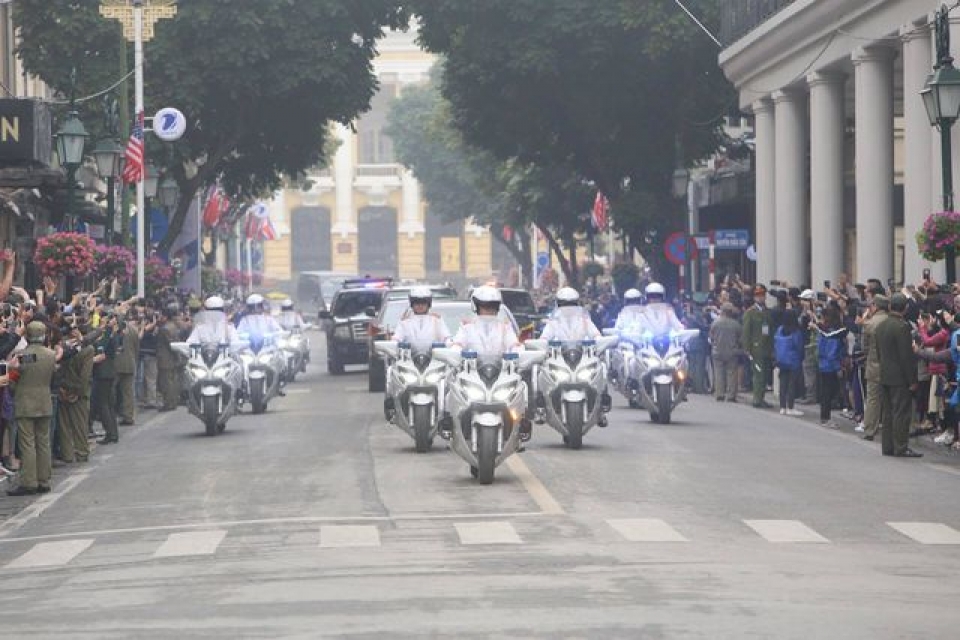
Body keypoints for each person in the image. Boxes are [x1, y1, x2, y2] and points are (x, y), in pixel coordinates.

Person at [6, 321, 56, 496]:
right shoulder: (51, 354)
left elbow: (14, 375)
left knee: (27, 443)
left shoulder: (22, 356)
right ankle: (44, 479)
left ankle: (29, 481)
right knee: (43, 442)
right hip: (44, 400)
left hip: (26, 401)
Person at [875, 293, 921, 457]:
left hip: (885, 374)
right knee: (901, 412)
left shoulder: (881, 326)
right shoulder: (902, 327)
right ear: (906, 308)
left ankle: (887, 447)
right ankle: (900, 446)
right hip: (900, 377)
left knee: (887, 413)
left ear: (889, 307)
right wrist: (912, 380)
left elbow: (879, 353)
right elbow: (905, 357)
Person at [56, 323, 95, 464]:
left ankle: (67, 454)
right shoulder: (88, 350)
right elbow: (85, 376)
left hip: (62, 389)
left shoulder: (61, 348)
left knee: (64, 426)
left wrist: (60, 388)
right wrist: (79, 392)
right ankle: (82, 452)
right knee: (79, 424)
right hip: (77, 391)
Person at [450, 285, 521, 358]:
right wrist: (455, 353)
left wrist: (519, 353)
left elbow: (514, 345)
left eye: (493, 306)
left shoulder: (505, 328)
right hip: (471, 367)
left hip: (502, 368)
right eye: (485, 306)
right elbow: (457, 346)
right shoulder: (467, 327)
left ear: (497, 307)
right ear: (476, 306)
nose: (489, 310)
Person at [859, 294, 889, 440]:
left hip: (873, 366)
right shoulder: (891, 321)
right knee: (890, 399)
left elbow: (864, 346)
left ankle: (870, 429)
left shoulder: (869, 324)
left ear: (875, 306)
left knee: (873, 399)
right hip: (890, 366)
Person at [91, 313, 122, 444]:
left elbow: (100, 349)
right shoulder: (113, 334)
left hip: (103, 372)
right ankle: (113, 432)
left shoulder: (108, 333)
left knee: (103, 404)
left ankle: (110, 433)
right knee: (109, 404)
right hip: (110, 371)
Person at [742, 285, 774, 408]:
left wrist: (772, 348)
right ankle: (757, 399)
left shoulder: (766, 311)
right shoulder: (750, 313)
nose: (761, 298)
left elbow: (769, 331)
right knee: (758, 374)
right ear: (755, 297)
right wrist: (747, 349)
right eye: (758, 295)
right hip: (755, 349)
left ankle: (761, 397)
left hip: (766, 348)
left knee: (765, 375)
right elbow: (746, 332)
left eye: (762, 295)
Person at [392, 287, 451, 353]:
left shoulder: (436, 320)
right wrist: (393, 344)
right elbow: (397, 338)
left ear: (428, 304)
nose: (420, 306)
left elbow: (446, 338)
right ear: (412, 304)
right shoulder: (405, 321)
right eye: (417, 303)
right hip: (408, 360)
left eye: (423, 303)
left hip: (434, 360)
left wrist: (450, 344)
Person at [709, 302, 742, 402]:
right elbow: (740, 338)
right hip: (732, 351)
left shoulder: (715, 323)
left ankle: (720, 393)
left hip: (717, 351)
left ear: (722, 311)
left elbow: (711, 336)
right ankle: (731, 395)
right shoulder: (736, 324)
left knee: (718, 372)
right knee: (731, 373)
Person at [773, 311, 804, 416]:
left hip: (781, 360)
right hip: (793, 361)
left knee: (783, 384)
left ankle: (782, 407)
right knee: (791, 384)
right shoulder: (796, 331)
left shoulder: (780, 329)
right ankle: (790, 407)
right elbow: (799, 347)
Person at [114, 312, 140, 426]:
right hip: (130, 363)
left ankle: (112, 414)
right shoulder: (133, 330)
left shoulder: (113, 330)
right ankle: (128, 416)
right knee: (128, 392)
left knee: (111, 391)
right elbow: (137, 347)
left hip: (115, 365)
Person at [156, 303, 183, 412]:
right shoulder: (174, 327)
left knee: (166, 383)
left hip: (165, 358)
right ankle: (173, 402)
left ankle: (169, 403)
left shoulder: (165, 329)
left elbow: (170, 344)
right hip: (172, 358)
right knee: (172, 381)